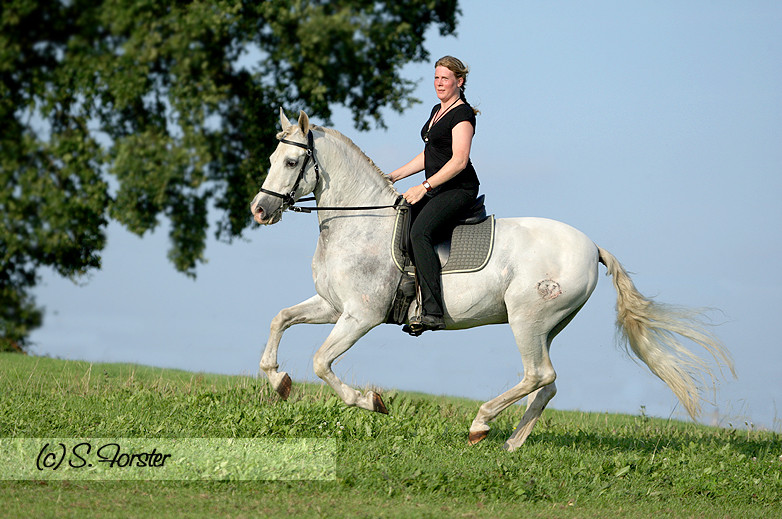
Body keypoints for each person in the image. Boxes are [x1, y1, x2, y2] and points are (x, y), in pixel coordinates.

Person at [388, 55, 481, 334]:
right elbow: (430, 154)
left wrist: (424, 187)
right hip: (438, 187)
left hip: (458, 189)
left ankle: (432, 312)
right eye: (436, 78)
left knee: (420, 233)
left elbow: (459, 161)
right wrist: (394, 176)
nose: (439, 83)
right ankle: (408, 299)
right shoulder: (436, 110)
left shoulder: (462, 114)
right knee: (400, 222)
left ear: (459, 82)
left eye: (445, 79)